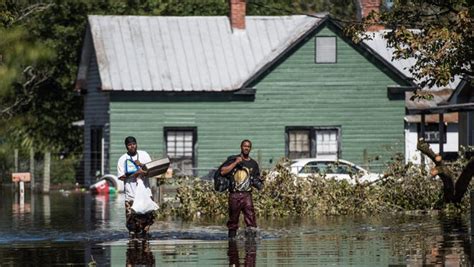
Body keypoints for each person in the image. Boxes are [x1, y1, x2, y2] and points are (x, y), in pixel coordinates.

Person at [220, 139, 264, 239]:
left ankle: (251, 244)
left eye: (248, 146)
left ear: (250, 148)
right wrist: (236, 162)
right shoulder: (233, 159)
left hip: (247, 195)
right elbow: (223, 172)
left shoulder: (253, 163)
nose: (246, 148)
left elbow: (256, 179)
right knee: (233, 221)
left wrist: (260, 180)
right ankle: (231, 242)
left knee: (251, 220)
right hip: (234, 195)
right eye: (245, 146)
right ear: (241, 147)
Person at [117, 136, 156, 239]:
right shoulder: (122, 159)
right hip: (131, 196)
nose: (132, 146)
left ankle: (145, 248)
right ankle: (133, 249)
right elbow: (121, 177)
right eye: (129, 145)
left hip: (146, 195)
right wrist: (135, 173)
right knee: (132, 225)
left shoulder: (144, 155)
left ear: (136, 144)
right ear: (126, 146)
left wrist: (142, 167)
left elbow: (151, 171)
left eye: (133, 144)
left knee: (147, 223)